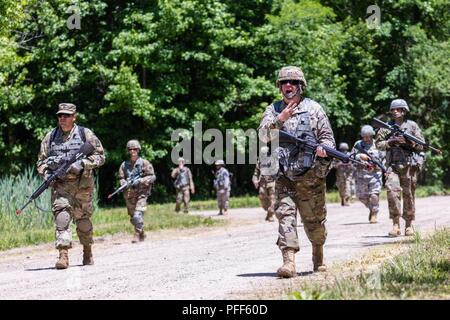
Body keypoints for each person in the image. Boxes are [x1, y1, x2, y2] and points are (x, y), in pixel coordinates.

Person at [259, 66, 335, 277]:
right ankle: (289, 261)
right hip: (284, 176)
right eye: (283, 83)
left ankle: (318, 252)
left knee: (314, 221)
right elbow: (263, 135)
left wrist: (323, 149)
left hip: (310, 175)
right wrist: (280, 119)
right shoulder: (273, 110)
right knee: (285, 216)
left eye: (292, 82)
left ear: (300, 86)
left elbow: (328, 137)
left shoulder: (314, 109)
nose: (288, 86)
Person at [37, 103, 105, 269]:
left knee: (83, 221)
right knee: (62, 218)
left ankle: (87, 251)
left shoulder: (85, 134)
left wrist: (82, 164)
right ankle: (63, 255)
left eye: (66, 115)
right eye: (60, 115)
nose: (63, 118)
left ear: (74, 117)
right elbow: (40, 161)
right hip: (61, 186)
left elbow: (101, 156)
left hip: (83, 186)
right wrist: (46, 174)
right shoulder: (51, 137)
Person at [375, 99, 425, 237]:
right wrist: (391, 142)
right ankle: (395, 224)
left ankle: (409, 225)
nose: (395, 112)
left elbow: (422, 145)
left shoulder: (412, 126)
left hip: (409, 166)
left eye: (398, 109)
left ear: (404, 110)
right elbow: (378, 144)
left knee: (409, 195)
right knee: (392, 193)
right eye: (393, 110)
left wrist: (410, 142)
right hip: (392, 166)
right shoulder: (386, 127)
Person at [118, 140, 156, 243]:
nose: (133, 151)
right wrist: (123, 183)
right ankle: (142, 232)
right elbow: (121, 177)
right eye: (130, 149)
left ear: (138, 150)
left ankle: (136, 234)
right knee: (133, 218)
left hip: (142, 193)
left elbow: (152, 176)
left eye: (135, 149)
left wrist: (140, 181)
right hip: (129, 194)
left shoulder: (144, 163)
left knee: (137, 215)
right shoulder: (124, 165)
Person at [352, 125, 383, 223]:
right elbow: (350, 156)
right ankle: (371, 208)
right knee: (361, 197)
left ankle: (374, 213)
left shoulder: (378, 144)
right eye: (364, 136)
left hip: (375, 173)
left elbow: (384, 158)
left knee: (374, 195)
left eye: (368, 136)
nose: (366, 138)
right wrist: (359, 156)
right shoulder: (358, 144)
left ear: (372, 135)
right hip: (361, 174)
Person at [252, 146, 277, 222]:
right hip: (263, 184)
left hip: (272, 183)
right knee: (262, 199)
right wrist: (255, 180)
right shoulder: (259, 162)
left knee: (273, 200)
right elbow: (256, 173)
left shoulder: (273, 161)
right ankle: (268, 212)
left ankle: (270, 215)